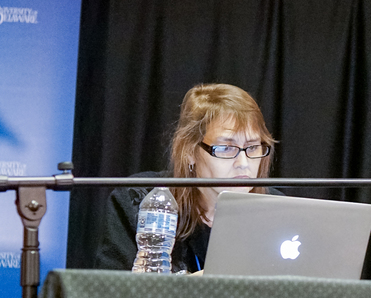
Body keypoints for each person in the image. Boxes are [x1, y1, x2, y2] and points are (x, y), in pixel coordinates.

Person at [95, 83, 277, 273]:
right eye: (226, 148)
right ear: (190, 151)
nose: (243, 162)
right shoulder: (137, 200)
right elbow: (108, 293)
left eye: (253, 147)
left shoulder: (278, 209)